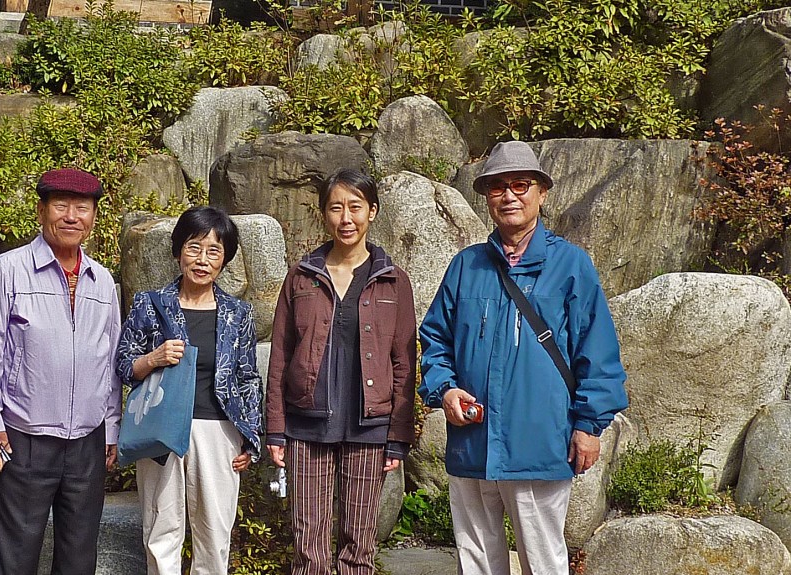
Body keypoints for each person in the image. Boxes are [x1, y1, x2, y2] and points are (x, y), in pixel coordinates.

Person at [418, 141, 629, 575]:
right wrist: (445, 389)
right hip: (473, 442)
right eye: (498, 187)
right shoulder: (466, 266)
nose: (509, 196)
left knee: (543, 559)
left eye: (520, 185)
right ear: (486, 196)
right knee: (476, 558)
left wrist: (589, 426)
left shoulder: (570, 265)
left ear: (541, 193)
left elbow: (598, 353)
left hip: (540, 441)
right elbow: (435, 339)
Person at [0, 167, 123, 575]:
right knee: (10, 558)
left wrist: (110, 426)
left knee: (78, 558)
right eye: (61, 206)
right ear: (41, 211)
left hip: (87, 441)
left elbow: (108, 360)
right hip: (22, 436)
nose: (72, 216)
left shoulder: (103, 281)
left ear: (93, 217)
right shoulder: (6, 271)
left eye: (82, 208)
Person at [266, 168, 417, 575]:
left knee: (359, 546)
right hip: (306, 425)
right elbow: (280, 356)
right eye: (336, 208)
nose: (346, 218)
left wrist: (398, 436)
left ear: (373, 211)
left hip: (369, 427)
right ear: (323, 214)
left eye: (355, 207)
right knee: (308, 547)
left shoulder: (393, 281)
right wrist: (275, 429)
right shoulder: (301, 277)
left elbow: (404, 364)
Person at [115, 206, 263, 575]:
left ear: (224, 259)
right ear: (178, 250)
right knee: (161, 531)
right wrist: (154, 358)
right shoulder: (150, 304)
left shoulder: (238, 313)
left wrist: (250, 438)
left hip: (218, 431)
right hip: (160, 429)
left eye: (214, 251)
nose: (202, 260)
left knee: (214, 534)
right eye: (194, 247)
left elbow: (247, 377)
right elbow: (123, 365)